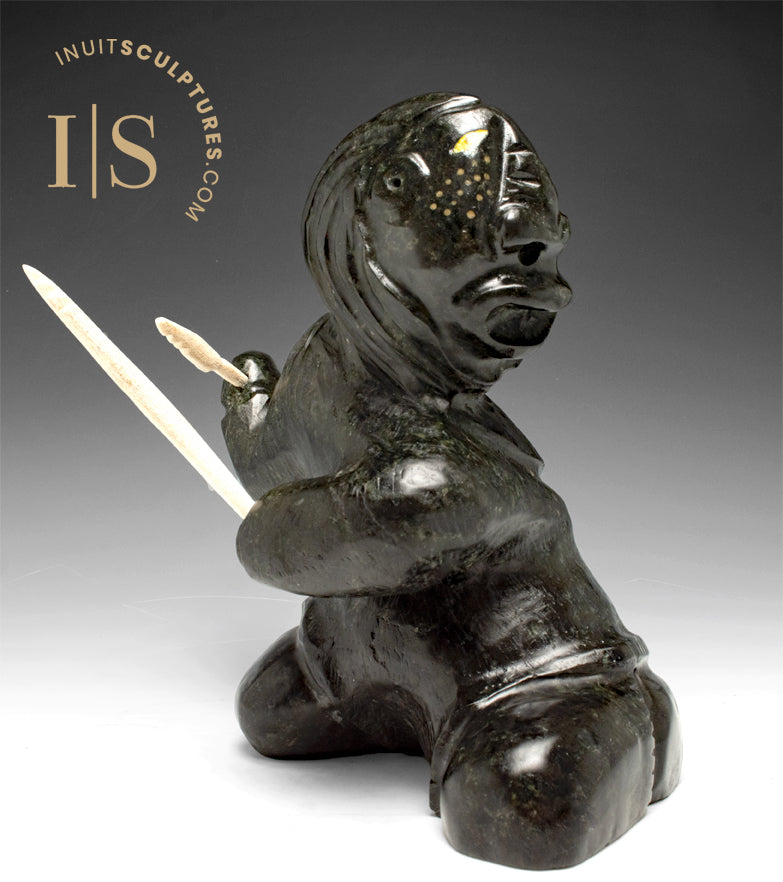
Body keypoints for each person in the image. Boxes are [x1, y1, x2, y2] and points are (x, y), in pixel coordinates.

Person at [221, 93, 681, 870]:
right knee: (266, 715)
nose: (550, 277)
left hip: (538, 676)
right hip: (363, 646)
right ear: (377, 216)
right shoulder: (328, 357)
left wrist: (277, 532)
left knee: (523, 809)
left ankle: (629, 720)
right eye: (514, 245)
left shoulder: (445, 479)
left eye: (540, 253)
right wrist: (251, 412)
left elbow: (311, 533)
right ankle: (407, 704)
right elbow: (278, 465)